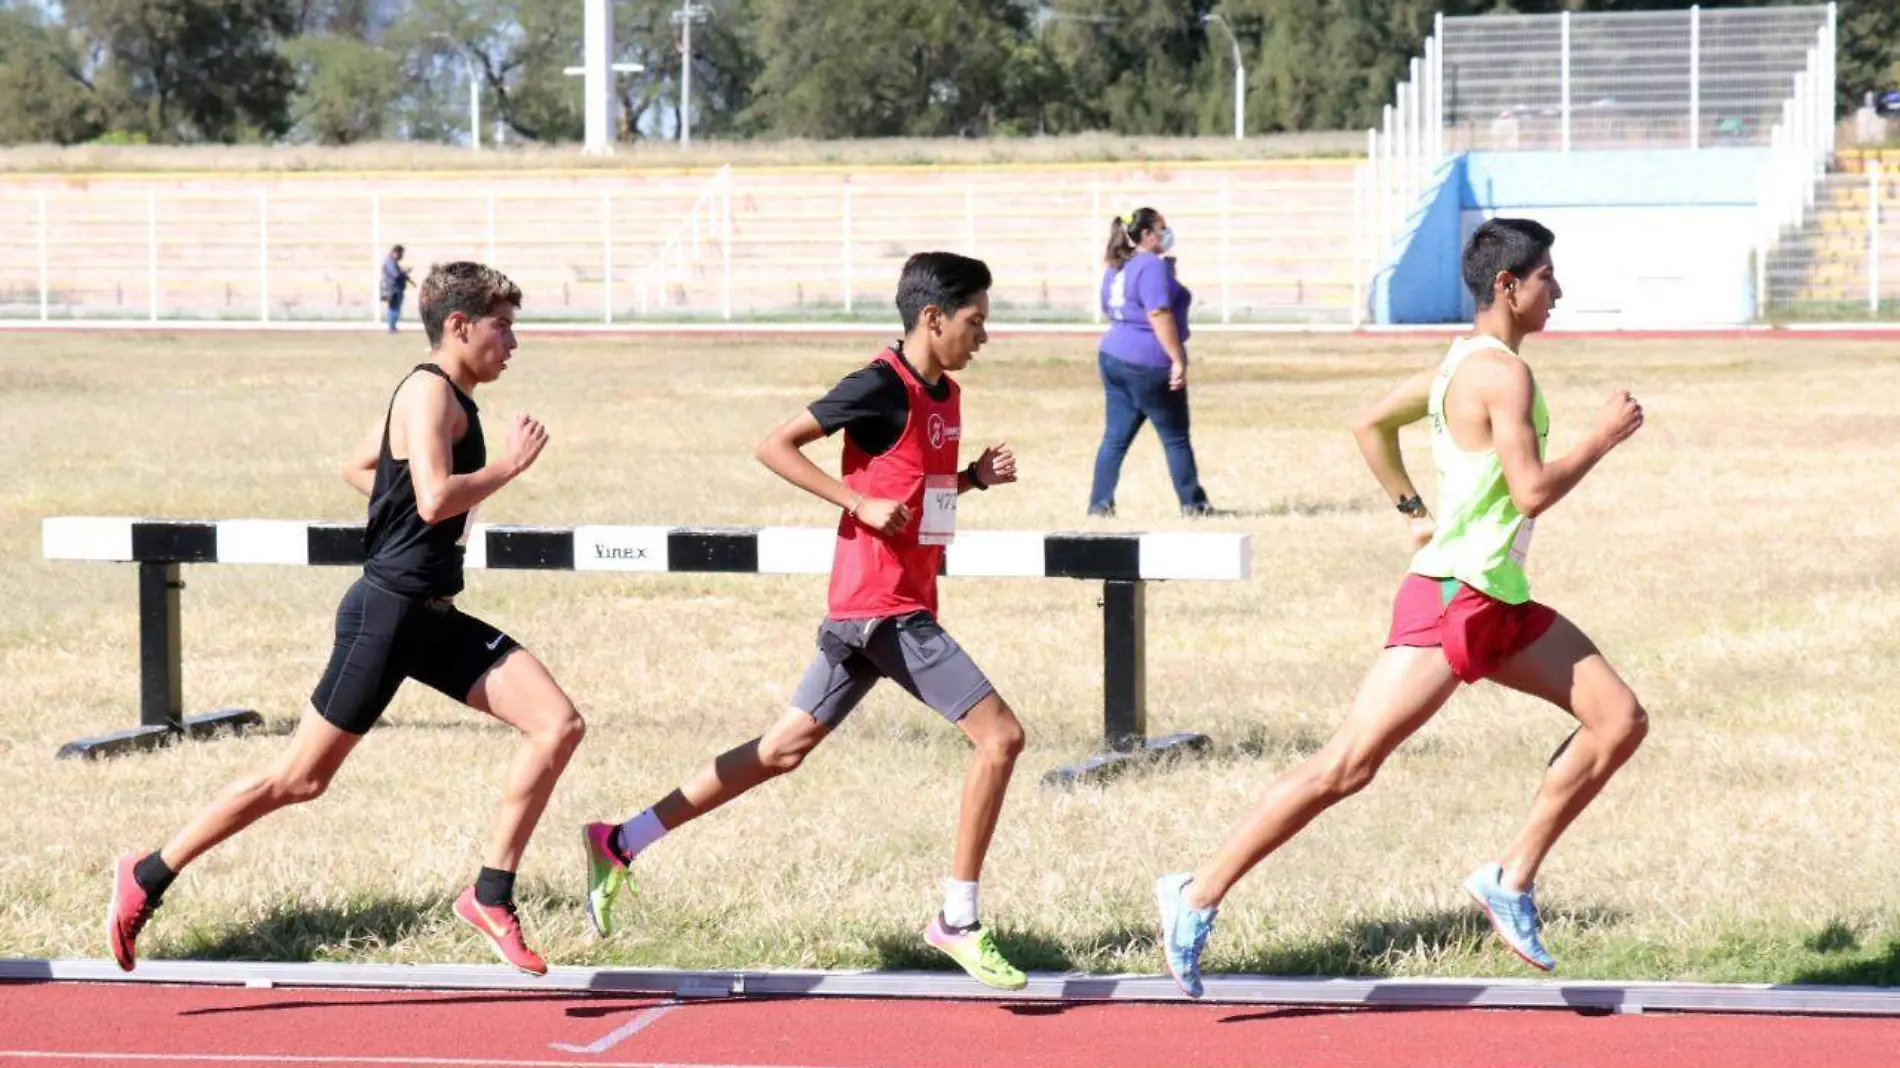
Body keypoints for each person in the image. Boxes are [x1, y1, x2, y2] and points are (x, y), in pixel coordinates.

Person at [1154, 218, 1649, 996]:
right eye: (1548, 276)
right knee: (1347, 767)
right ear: (1507, 286)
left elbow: (1370, 424)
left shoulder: (1459, 364)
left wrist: (1412, 508)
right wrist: (1602, 438)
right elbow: (1532, 491)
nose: (1559, 291)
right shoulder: (1502, 375)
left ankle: (1510, 880)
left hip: (1499, 597)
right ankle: (1196, 894)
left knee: (1619, 719)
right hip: (1455, 599)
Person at [107, 262, 585, 977]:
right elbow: (431, 498)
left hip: (431, 618)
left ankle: (490, 895)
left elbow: (362, 465)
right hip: (386, 618)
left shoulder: (446, 395)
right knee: (300, 780)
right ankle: (146, 873)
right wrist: (506, 468)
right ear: (459, 326)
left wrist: (401, 506)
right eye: (503, 325)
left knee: (558, 724)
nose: (513, 342)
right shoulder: (428, 394)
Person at [580, 252, 1031, 990]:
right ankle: (958, 917)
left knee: (782, 748)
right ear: (933, 318)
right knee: (1001, 738)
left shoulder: (944, 394)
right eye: (976, 321)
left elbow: (921, 497)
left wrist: (972, 480)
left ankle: (622, 840)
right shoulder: (878, 384)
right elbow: (773, 445)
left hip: (882, 605)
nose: (985, 335)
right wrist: (854, 504)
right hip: (883, 611)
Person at [1089, 207, 1216, 518]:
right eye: (1162, 228)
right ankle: (1193, 504)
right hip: (1148, 361)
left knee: (1115, 437)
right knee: (1175, 437)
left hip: (1113, 354)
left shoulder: (1118, 265)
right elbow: (1158, 312)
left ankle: (1099, 504)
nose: (1167, 233)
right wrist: (1177, 357)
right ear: (1146, 235)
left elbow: (1113, 306)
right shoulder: (1150, 266)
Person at [382, 245, 414, 333]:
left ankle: (393, 327)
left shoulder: (392, 261)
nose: (401, 256)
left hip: (395, 288)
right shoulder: (390, 262)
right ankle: (392, 328)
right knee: (394, 308)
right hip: (394, 289)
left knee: (394, 308)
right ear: (396, 252)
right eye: (401, 254)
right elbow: (396, 275)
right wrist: (405, 273)